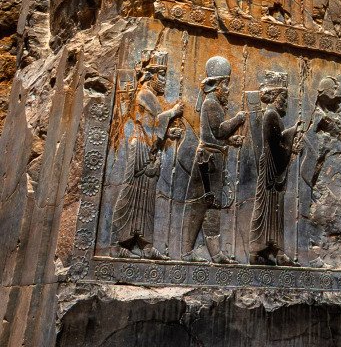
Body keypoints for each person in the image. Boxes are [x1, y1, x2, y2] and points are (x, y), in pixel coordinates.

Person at [111, 51, 183, 259]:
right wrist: (172, 112)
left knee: (146, 197)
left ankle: (145, 244)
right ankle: (118, 243)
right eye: (162, 75)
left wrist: (168, 133)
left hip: (148, 146)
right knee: (131, 193)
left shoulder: (150, 96)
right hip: (141, 148)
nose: (165, 81)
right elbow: (151, 123)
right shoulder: (145, 94)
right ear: (151, 75)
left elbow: (152, 124)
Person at [181, 57, 246, 262]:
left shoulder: (213, 103)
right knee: (201, 204)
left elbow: (214, 136)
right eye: (226, 84)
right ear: (217, 85)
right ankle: (187, 252)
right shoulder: (211, 103)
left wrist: (230, 141)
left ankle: (215, 254)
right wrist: (238, 119)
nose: (228, 89)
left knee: (212, 205)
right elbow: (219, 131)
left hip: (213, 159)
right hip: (207, 162)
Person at [249, 71, 301, 265]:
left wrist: (290, 135)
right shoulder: (271, 115)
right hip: (271, 168)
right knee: (266, 209)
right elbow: (276, 146)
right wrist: (292, 134)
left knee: (274, 210)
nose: (286, 103)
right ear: (274, 96)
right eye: (283, 98)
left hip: (273, 167)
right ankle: (258, 250)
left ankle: (273, 250)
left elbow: (278, 142)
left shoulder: (273, 115)